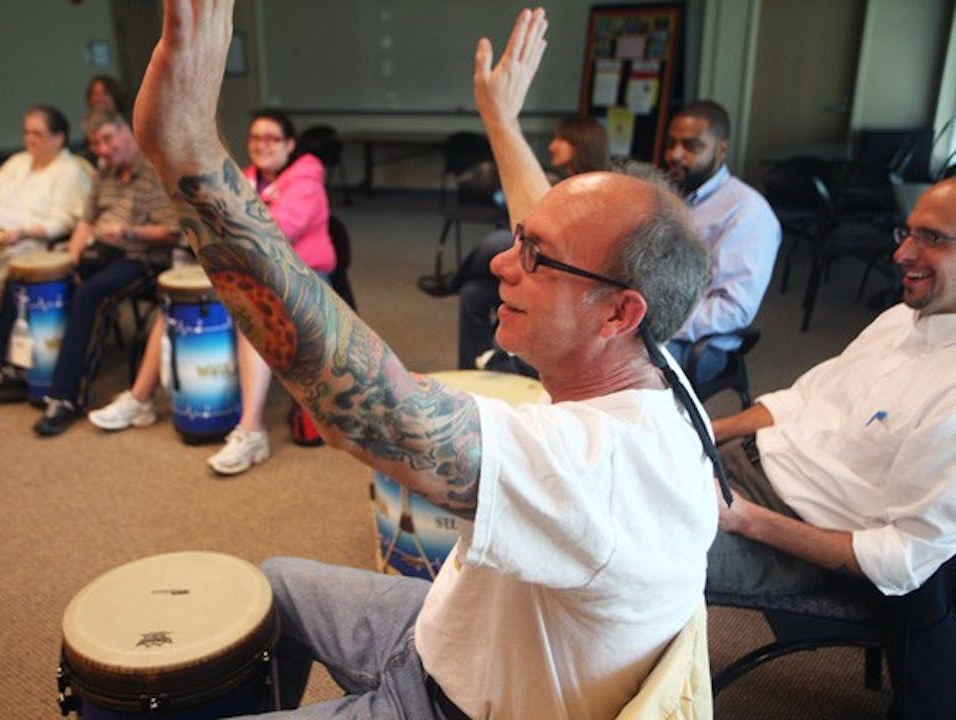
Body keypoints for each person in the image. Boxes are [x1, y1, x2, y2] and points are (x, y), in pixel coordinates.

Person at [134, 3, 718, 717]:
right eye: (521, 240)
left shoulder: (604, 466)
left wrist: (188, 150)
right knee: (274, 585)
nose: (504, 260)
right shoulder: (648, 356)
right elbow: (572, 246)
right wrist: (500, 117)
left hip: (457, 707)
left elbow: (374, 415)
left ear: (618, 314)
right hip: (446, 635)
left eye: (534, 257)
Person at [708, 177, 956, 718]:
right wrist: (710, 430)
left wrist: (744, 519)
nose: (901, 253)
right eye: (907, 232)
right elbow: (800, 399)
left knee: (610, 541)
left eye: (931, 238)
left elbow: (901, 558)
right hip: (742, 465)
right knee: (598, 464)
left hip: (783, 534)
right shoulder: (900, 320)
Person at [89, 108, 335, 476]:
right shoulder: (245, 179)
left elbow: (271, 237)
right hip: (249, 274)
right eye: (255, 138)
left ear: (289, 144)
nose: (262, 145)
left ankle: (252, 431)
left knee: (251, 313)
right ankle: (140, 399)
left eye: (272, 138)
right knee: (174, 306)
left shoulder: (306, 181)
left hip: (303, 280)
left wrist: (222, 228)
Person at [0, 109, 180, 437]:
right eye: (96, 144)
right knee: (24, 274)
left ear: (127, 133)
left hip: (143, 257)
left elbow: (172, 232)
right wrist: (71, 262)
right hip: (100, 250)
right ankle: (9, 368)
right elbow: (86, 221)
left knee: (90, 295)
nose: (103, 149)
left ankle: (66, 397)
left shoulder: (156, 172)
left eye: (108, 139)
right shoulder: (104, 173)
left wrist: (131, 232)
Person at [416, 115, 610, 370]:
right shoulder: (546, 177)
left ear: (583, 144)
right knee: (473, 293)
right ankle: (472, 373)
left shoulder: (600, 193)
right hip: (526, 267)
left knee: (499, 242)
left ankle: (451, 282)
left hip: (558, 284)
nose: (552, 146)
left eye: (562, 139)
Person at [0, 105, 92, 375]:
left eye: (38, 134)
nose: (30, 140)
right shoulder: (16, 163)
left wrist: (23, 233)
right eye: (27, 133)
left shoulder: (69, 171)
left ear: (58, 137)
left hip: (31, 243)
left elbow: (62, 221)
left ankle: (10, 355)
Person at [662, 101, 781, 384]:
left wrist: (656, 324)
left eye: (692, 146)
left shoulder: (746, 212)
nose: (676, 155)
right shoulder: (668, 194)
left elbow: (732, 311)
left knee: (603, 373)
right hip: (651, 321)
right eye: (672, 143)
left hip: (700, 344)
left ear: (722, 149)